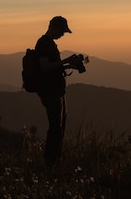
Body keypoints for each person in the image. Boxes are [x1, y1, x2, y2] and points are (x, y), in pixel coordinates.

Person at [34, 15, 83, 167]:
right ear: (53, 28)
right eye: (62, 31)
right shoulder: (43, 43)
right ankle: (50, 163)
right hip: (51, 93)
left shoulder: (50, 44)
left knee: (59, 128)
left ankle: (54, 161)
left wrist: (69, 65)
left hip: (57, 91)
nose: (62, 35)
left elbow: (53, 67)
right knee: (55, 129)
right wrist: (66, 61)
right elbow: (45, 67)